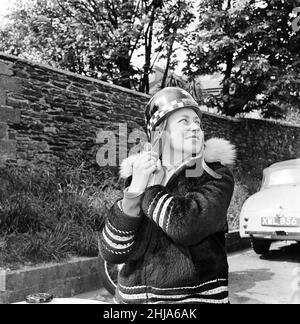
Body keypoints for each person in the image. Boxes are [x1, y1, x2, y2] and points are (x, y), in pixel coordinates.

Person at [99, 87, 236, 304]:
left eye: (197, 123)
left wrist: (151, 191)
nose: (195, 128)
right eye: (184, 121)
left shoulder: (215, 175)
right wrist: (134, 191)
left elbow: (187, 227)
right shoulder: (139, 176)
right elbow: (112, 252)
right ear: (160, 132)